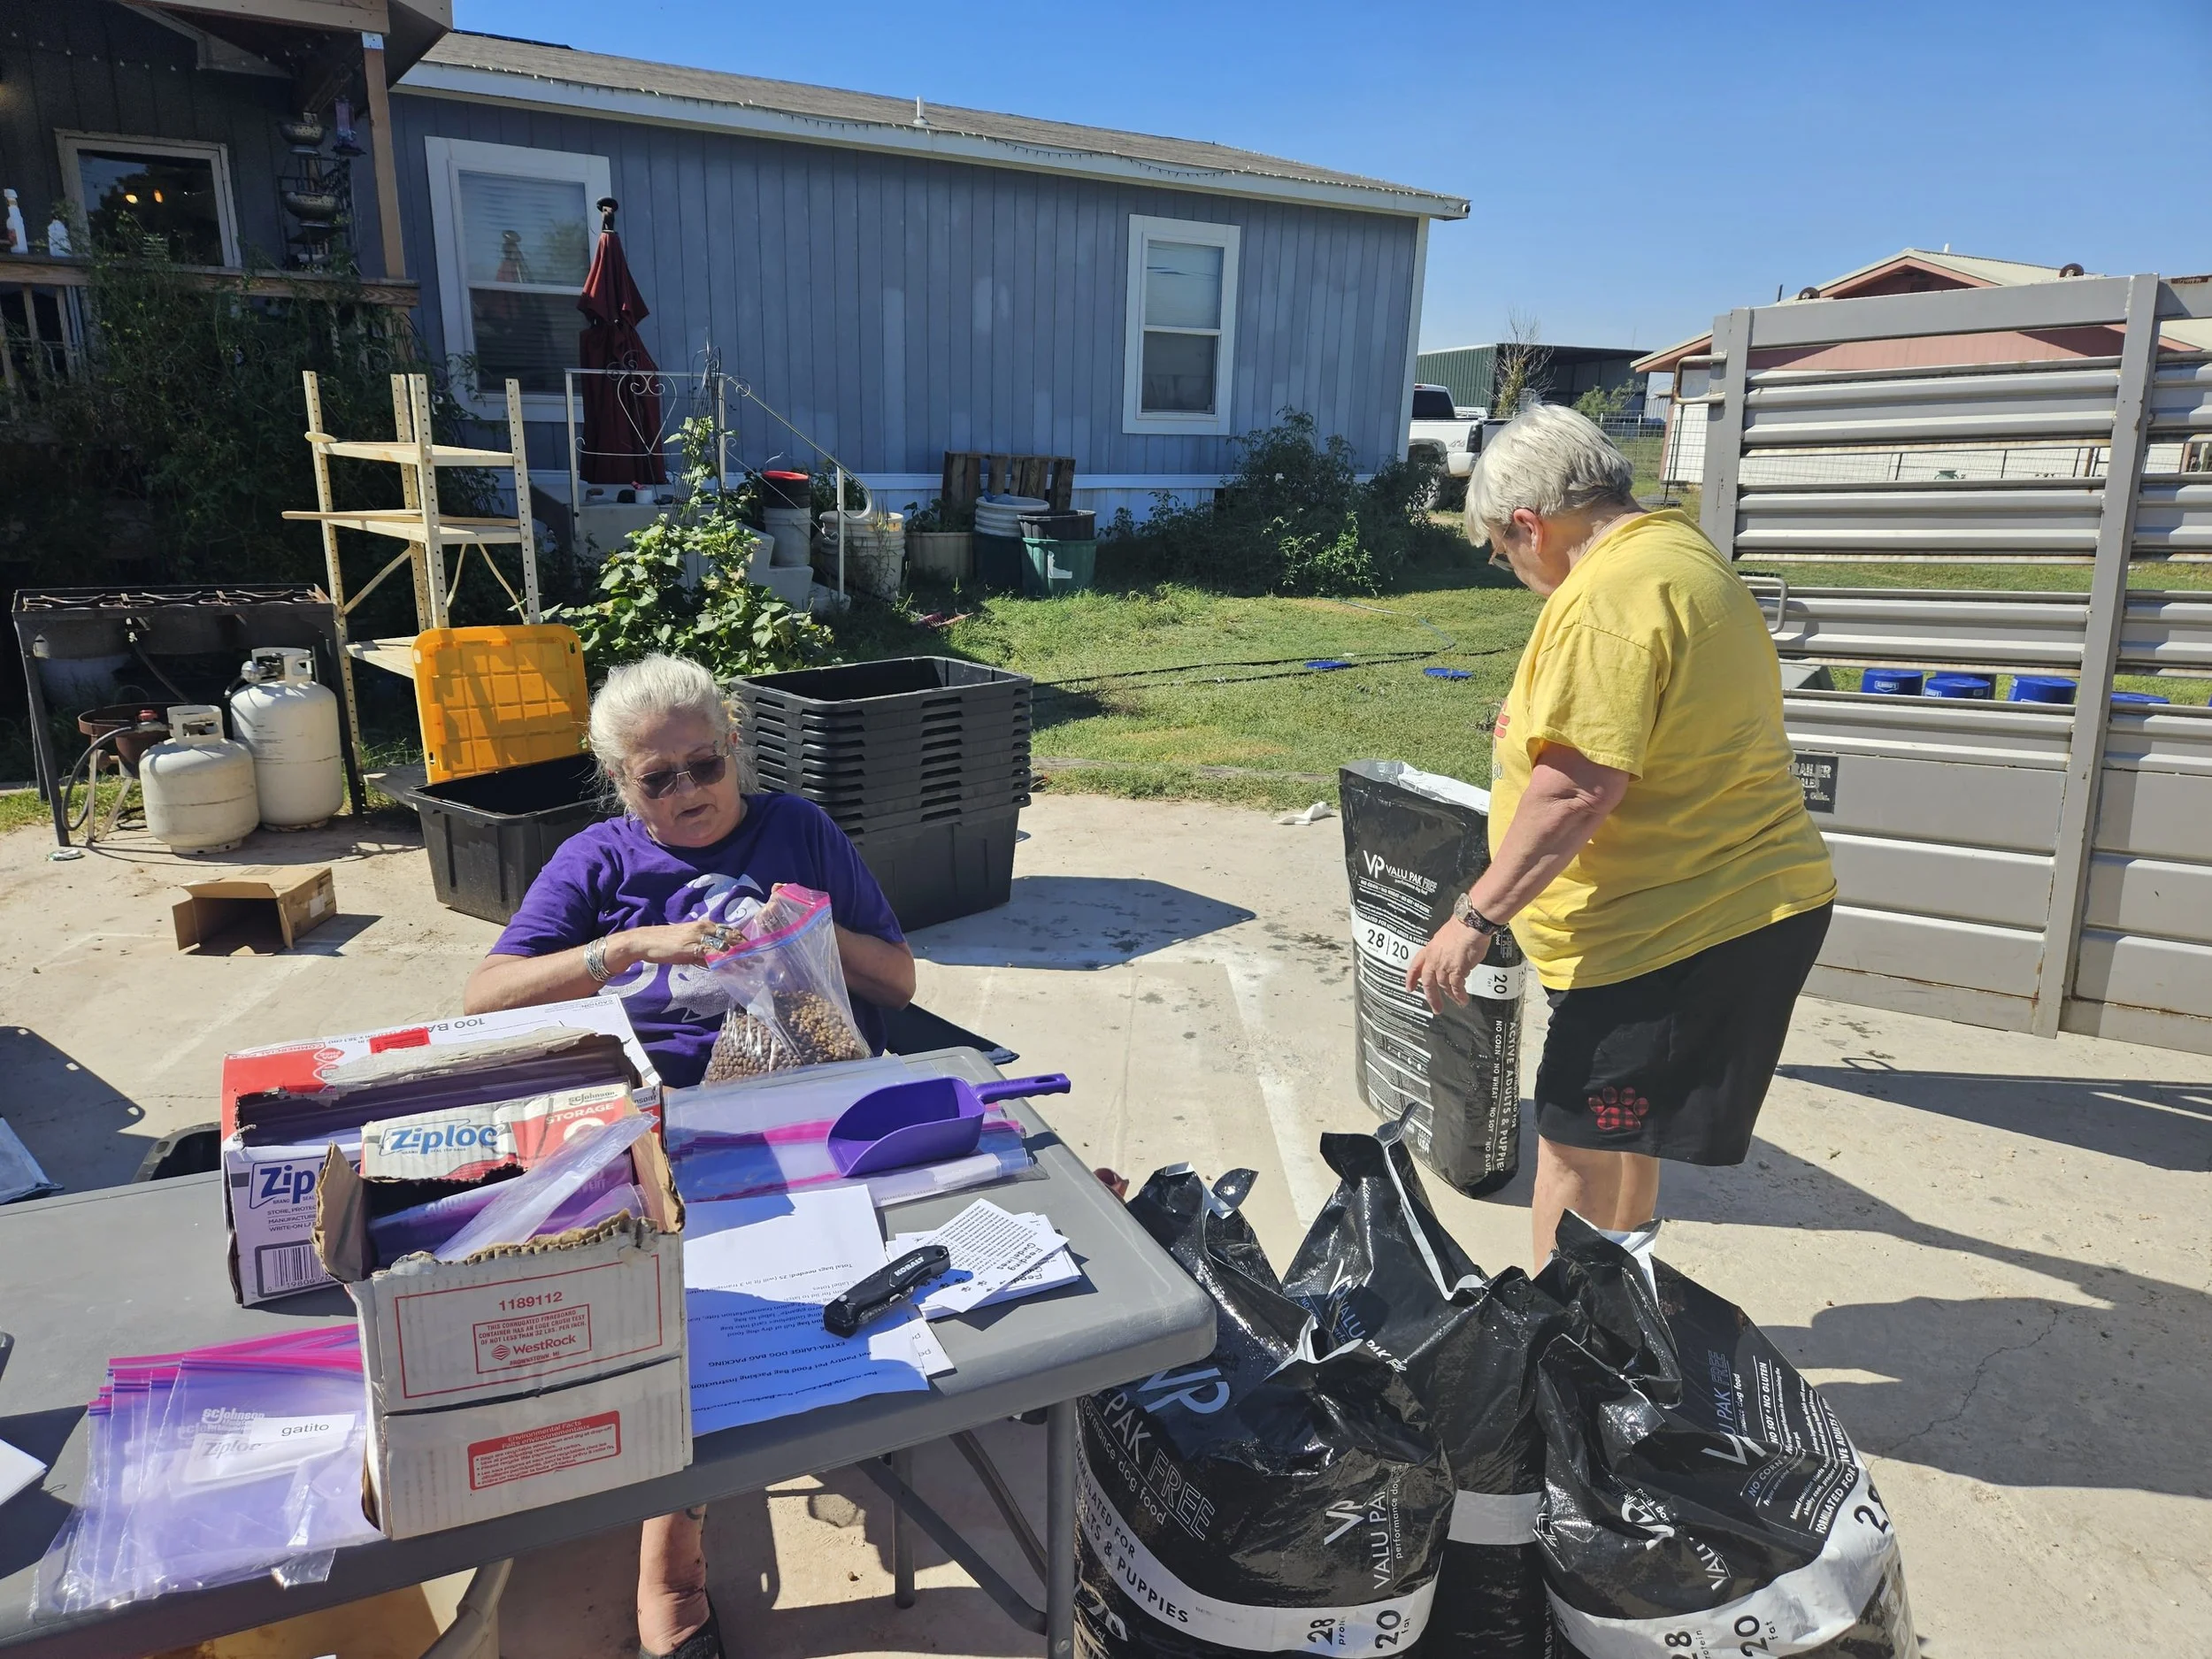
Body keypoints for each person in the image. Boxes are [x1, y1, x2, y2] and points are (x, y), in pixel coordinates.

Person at [464, 652, 915, 1659]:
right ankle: (669, 1581)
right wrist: (627, 950)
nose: (686, 793)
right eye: (654, 779)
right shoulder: (597, 861)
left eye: (702, 765)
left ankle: (676, 1554)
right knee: (691, 1298)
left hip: (807, 1100)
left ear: (734, 748)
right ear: (620, 785)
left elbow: (897, 979)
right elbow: (483, 995)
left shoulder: (799, 830)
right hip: (659, 1117)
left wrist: (804, 937)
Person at [1404, 404, 1835, 1266]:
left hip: (1672, 932)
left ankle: (1561, 1344)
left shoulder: (1605, 601)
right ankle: (1620, 1310)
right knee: (1622, 1130)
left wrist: (1475, 920)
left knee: (1574, 1145)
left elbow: (1572, 795)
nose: (1512, 568)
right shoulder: (1675, 554)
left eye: (1502, 551)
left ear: (1531, 524)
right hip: (1712, 912)